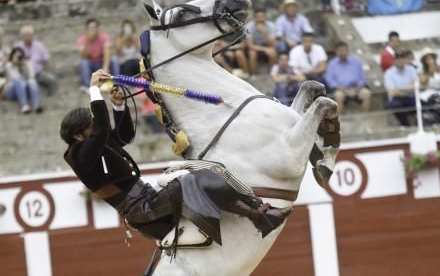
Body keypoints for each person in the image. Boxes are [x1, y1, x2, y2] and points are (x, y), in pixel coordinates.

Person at [60, 69, 289, 245]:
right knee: (192, 178)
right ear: (78, 135)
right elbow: (101, 132)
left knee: (203, 168)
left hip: (147, 200)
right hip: (143, 210)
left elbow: (123, 136)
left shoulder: (93, 145)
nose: (97, 126)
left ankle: (257, 209)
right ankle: (258, 218)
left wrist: (118, 107)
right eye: (91, 125)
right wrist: (93, 90)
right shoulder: (79, 156)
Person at [325, 42, 370, 114]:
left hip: (356, 88)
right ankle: (340, 121)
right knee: (339, 96)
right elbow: (330, 80)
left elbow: (362, 79)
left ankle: (366, 117)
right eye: (340, 51)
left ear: (348, 50)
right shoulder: (332, 64)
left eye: (345, 50)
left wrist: (356, 89)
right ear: (336, 52)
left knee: (366, 93)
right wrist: (344, 90)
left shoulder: (356, 62)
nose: (343, 53)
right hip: (340, 89)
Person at [15, 26, 57, 96]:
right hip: (24, 74)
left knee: (52, 79)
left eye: (29, 35)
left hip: (38, 73)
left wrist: (43, 69)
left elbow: (45, 60)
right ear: (22, 37)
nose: (27, 37)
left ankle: (50, 97)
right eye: (25, 36)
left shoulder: (39, 45)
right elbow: (15, 61)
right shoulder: (18, 46)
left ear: (32, 36)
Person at [77, 19, 117, 89]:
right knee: (83, 63)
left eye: (94, 27)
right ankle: (88, 85)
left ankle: (116, 81)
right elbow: (83, 56)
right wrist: (88, 41)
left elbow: (107, 52)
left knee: (114, 59)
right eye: (91, 28)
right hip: (91, 63)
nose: (93, 30)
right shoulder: (82, 39)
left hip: (102, 61)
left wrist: (105, 67)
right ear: (86, 29)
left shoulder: (104, 37)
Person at [3, 47, 42, 114]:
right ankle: (24, 106)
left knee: (33, 83)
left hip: (26, 91)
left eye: (20, 56)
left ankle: (36, 106)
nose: (19, 58)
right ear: (12, 56)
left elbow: (31, 78)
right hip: (12, 92)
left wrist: (24, 66)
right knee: (19, 81)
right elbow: (15, 79)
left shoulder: (27, 64)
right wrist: (15, 65)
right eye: (17, 56)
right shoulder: (8, 66)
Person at [384, 49, 416, 126]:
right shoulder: (389, 73)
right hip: (397, 99)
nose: (400, 60)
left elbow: (415, 86)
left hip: (411, 97)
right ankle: (406, 126)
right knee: (396, 105)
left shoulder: (411, 69)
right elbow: (392, 92)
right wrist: (408, 90)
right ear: (394, 60)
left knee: (423, 104)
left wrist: (399, 89)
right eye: (398, 58)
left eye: (402, 58)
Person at [418, 48, 440, 123]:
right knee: (435, 97)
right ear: (424, 61)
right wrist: (429, 73)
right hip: (428, 92)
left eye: (431, 58)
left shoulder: (439, 68)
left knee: (438, 97)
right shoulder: (422, 71)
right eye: (427, 59)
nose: (430, 60)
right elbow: (422, 82)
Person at [245, 8, 277, 75]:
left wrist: (264, 32)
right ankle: (253, 74)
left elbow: (273, 44)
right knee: (252, 53)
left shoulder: (271, 25)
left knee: (272, 52)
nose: (260, 19)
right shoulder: (249, 26)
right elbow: (250, 45)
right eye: (258, 17)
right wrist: (265, 49)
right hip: (254, 46)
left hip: (266, 44)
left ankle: (272, 73)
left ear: (265, 17)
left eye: (262, 17)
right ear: (254, 18)